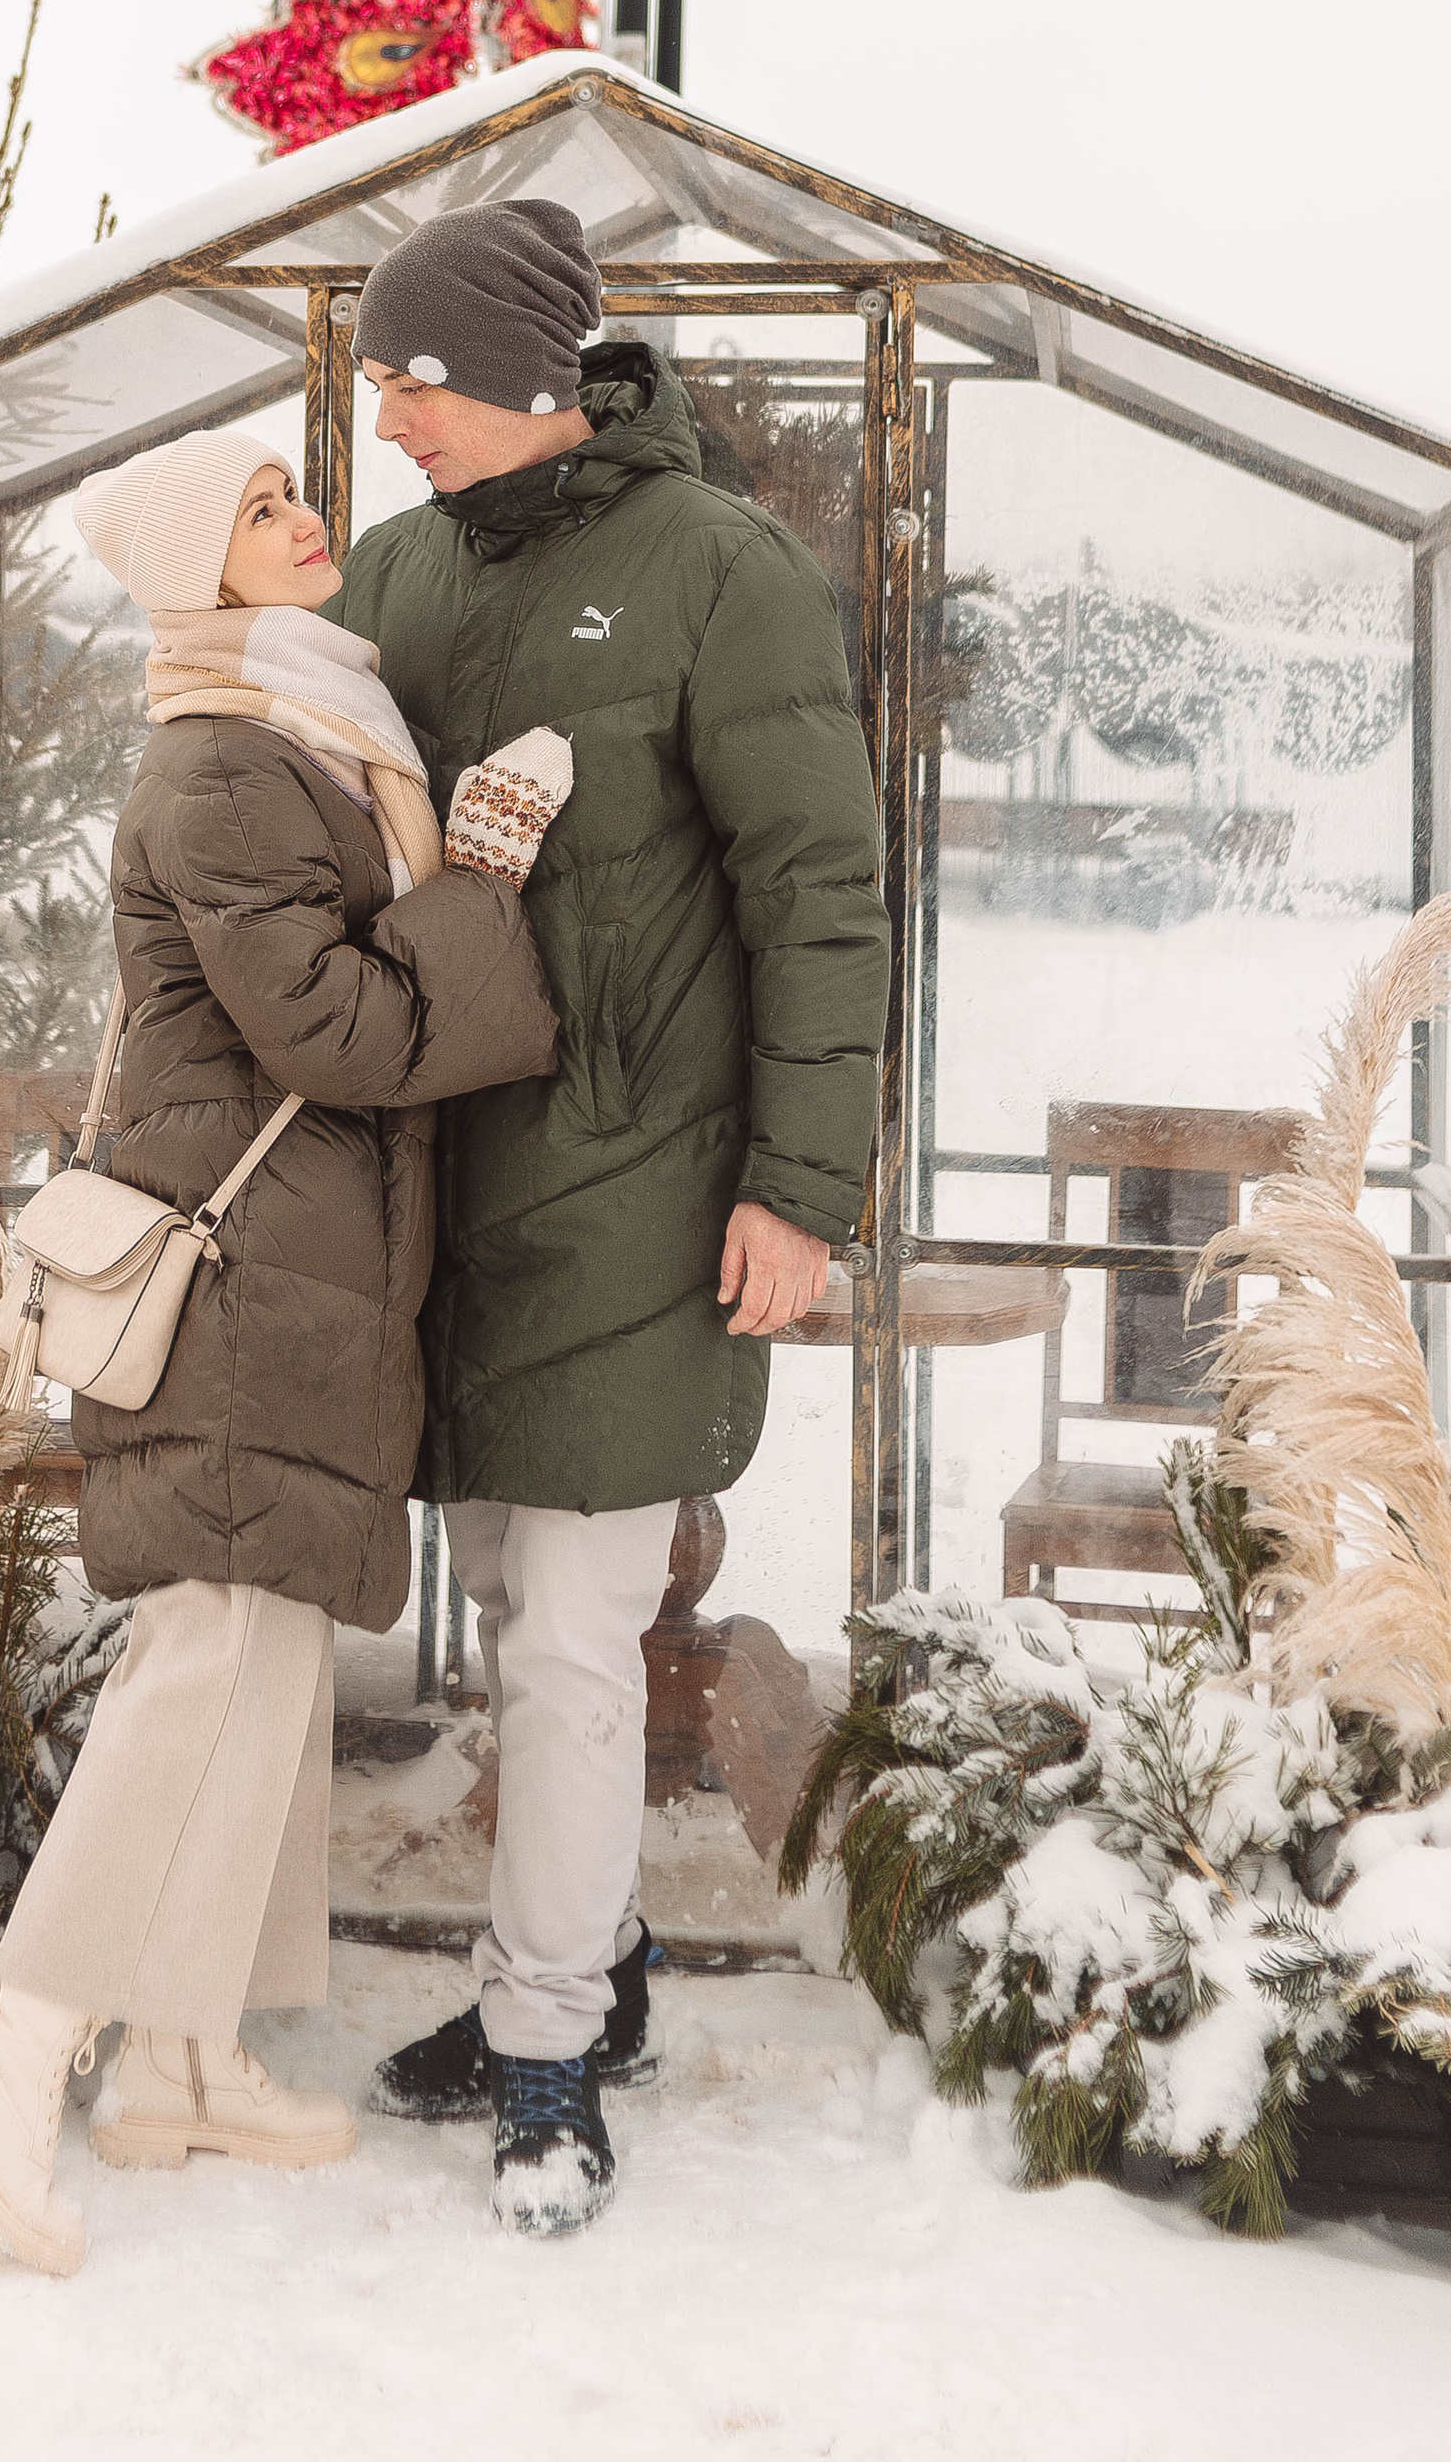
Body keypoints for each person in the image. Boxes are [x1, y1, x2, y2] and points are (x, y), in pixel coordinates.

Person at [0, 420, 570, 2276]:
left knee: (266, 1657)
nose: (304, 516)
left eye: (293, 490)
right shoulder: (223, 770)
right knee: (212, 1653)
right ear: (201, 571)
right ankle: (11, 2036)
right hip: (242, 1273)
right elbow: (336, 1033)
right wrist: (478, 890)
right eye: (260, 511)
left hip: (297, 1265)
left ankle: (180, 2061)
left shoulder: (310, 728)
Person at [336, 197, 890, 2239]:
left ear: (522, 377)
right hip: (441, 1190)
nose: (382, 420)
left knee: (573, 1632)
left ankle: (549, 2046)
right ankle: (602, 1968)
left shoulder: (719, 571)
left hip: (640, 1189)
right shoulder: (397, 569)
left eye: (411, 382)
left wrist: (800, 1187)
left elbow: (818, 892)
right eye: (374, 379)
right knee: (502, 1591)